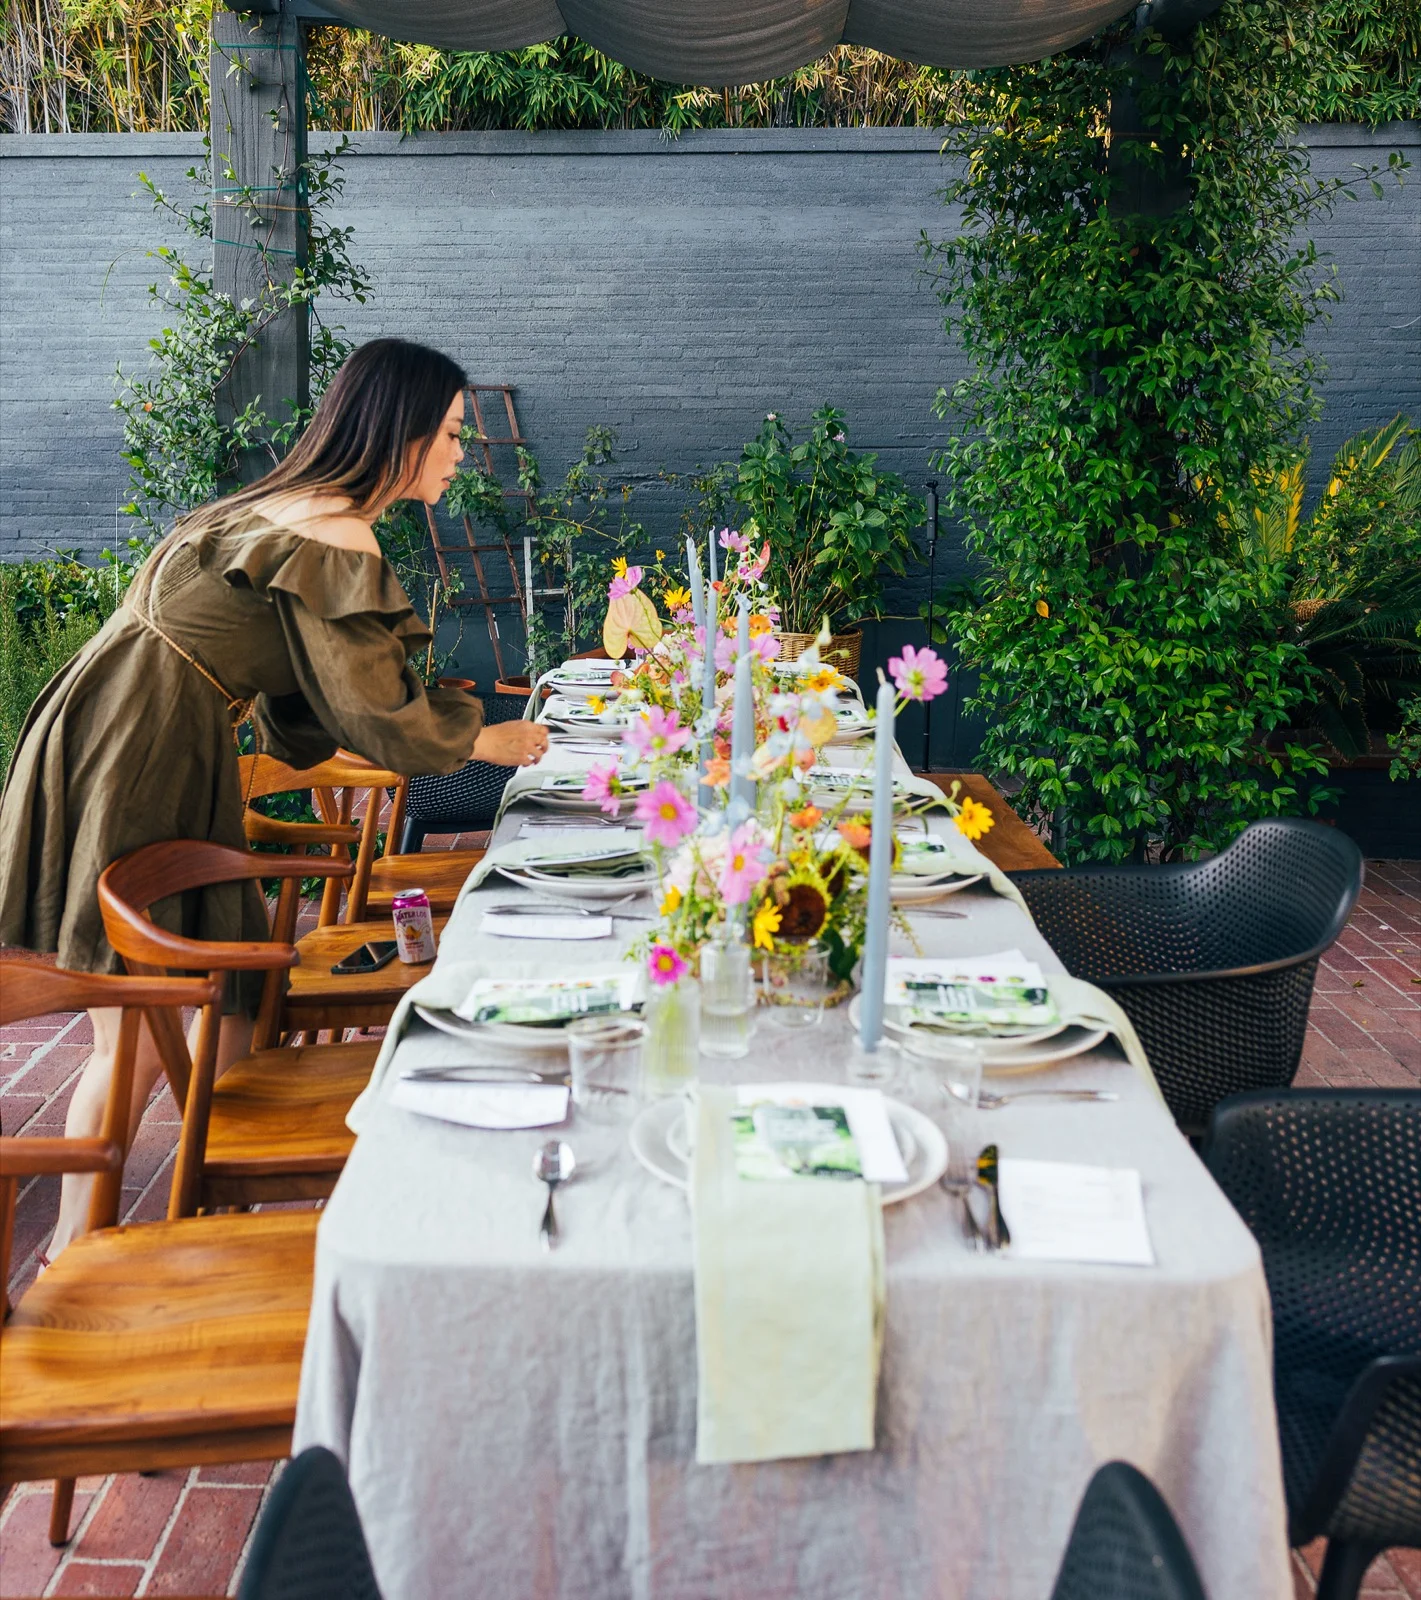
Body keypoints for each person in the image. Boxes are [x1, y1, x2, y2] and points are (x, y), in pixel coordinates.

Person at [0, 337, 549, 1256]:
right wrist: (488, 739)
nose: (460, 451)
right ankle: (74, 1252)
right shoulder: (334, 532)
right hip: (137, 742)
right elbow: (375, 715)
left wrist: (422, 716)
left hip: (133, 723)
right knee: (132, 1009)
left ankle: (209, 1180)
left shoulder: (283, 506)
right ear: (402, 434)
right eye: (451, 433)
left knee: (218, 986)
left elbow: (313, 692)